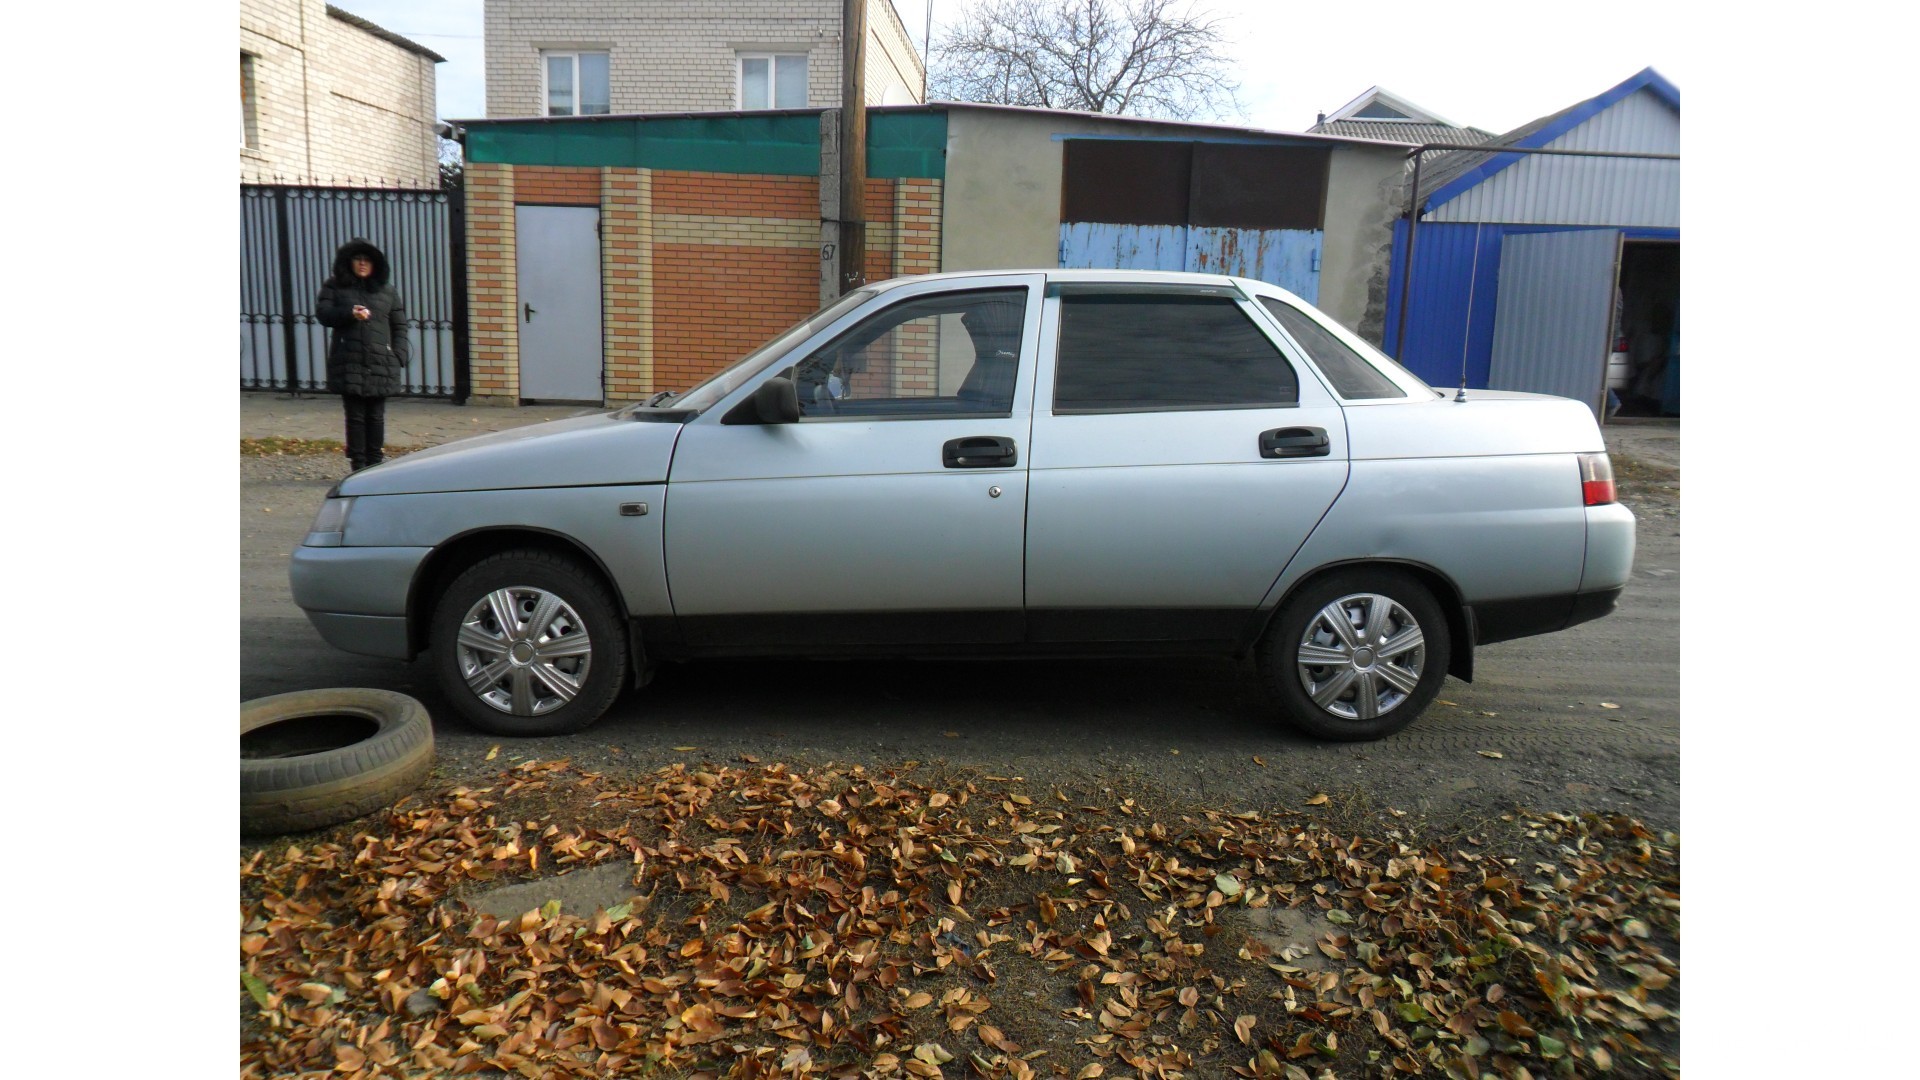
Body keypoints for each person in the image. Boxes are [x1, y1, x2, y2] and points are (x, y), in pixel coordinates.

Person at [315, 238, 409, 471]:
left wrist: (399, 355)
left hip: (381, 362)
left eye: (367, 260)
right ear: (349, 263)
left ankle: (375, 465)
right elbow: (324, 315)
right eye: (358, 259)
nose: (362, 264)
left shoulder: (387, 291)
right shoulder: (334, 287)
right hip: (350, 361)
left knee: (376, 416)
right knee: (355, 417)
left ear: (375, 263)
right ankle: (358, 466)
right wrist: (349, 313)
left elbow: (400, 325)